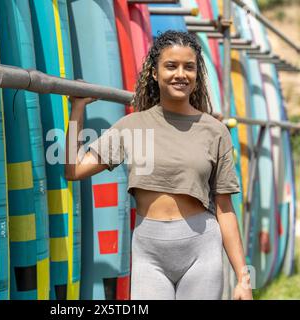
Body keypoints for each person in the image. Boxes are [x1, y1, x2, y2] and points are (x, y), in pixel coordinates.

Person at [64, 30, 253, 300]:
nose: (180, 74)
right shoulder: (132, 127)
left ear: (197, 76)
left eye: (189, 67)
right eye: (171, 66)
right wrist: (77, 110)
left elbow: (225, 209)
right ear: (154, 73)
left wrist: (244, 280)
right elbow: (74, 170)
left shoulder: (215, 131)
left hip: (202, 250)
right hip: (148, 253)